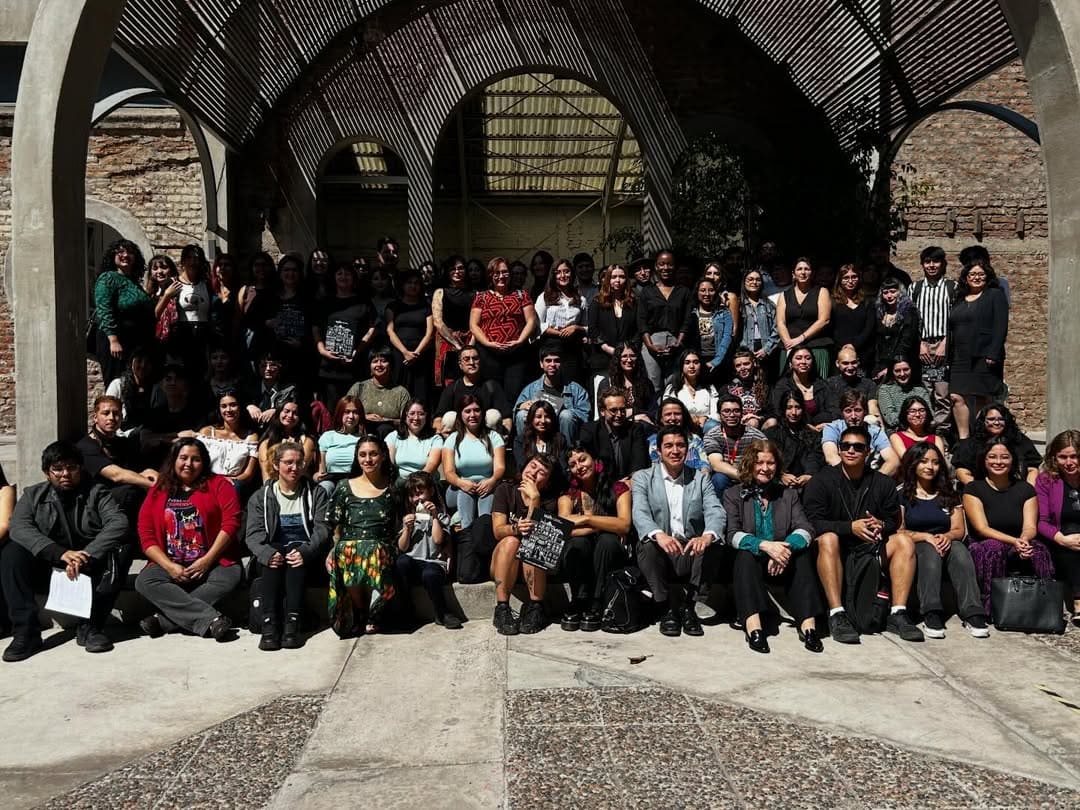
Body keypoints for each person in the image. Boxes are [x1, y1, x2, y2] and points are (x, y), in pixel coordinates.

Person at [2, 443, 129, 661]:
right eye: (58, 469)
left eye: (71, 468)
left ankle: (91, 627)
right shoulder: (33, 495)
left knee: (123, 549)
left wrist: (86, 554)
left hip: (89, 565)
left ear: (80, 468)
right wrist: (59, 553)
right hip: (50, 565)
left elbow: (119, 522)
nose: (65, 474)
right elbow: (19, 527)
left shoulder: (97, 492)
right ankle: (26, 633)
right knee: (12, 552)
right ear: (47, 472)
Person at [803, 424, 923, 643]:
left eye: (858, 447)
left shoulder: (883, 483)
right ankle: (836, 614)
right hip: (835, 550)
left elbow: (892, 520)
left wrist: (881, 525)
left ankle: (898, 612)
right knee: (828, 538)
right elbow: (812, 523)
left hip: (871, 548)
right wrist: (850, 527)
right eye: (845, 446)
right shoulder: (821, 480)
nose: (851, 450)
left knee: (904, 541)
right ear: (838, 449)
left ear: (868, 452)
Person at [135, 438, 242, 641]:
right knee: (144, 581)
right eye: (183, 458)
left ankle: (164, 621)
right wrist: (168, 566)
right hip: (172, 560)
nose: (188, 464)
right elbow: (146, 534)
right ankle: (211, 619)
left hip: (214, 560)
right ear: (174, 459)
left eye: (196, 459)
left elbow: (231, 523)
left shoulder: (219, 485)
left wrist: (207, 560)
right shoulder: (159, 489)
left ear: (204, 462)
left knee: (229, 578)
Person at [723, 439, 823, 653]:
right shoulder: (733, 495)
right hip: (753, 560)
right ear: (750, 464)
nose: (765, 468)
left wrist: (784, 549)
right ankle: (753, 626)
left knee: (803, 557)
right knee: (744, 556)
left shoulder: (788, 494)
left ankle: (808, 626)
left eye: (770, 463)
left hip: (781, 559)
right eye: (759, 462)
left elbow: (806, 529)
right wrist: (766, 546)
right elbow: (732, 534)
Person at [634, 426, 725, 637]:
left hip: (689, 550)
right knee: (647, 545)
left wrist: (707, 535)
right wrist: (659, 534)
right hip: (662, 549)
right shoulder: (643, 478)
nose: (675, 451)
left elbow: (715, 510)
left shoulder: (700, 478)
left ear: (688, 449)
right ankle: (666, 608)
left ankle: (689, 607)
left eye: (680, 445)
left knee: (713, 542)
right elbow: (640, 513)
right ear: (658, 451)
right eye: (669, 446)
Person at [893, 442, 989, 638]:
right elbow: (899, 530)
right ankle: (931, 611)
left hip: (946, 540)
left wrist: (946, 536)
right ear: (913, 464)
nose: (930, 467)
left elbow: (959, 529)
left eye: (936, 462)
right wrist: (925, 537)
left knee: (961, 551)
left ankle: (973, 612)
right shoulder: (902, 493)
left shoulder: (949, 493)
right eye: (924, 462)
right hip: (915, 543)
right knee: (929, 553)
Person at [245, 441, 331, 650]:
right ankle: (270, 626)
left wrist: (306, 551)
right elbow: (253, 535)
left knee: (293, 556)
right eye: (288, 463)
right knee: (275, 557)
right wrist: (266, 553)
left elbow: (322, 529)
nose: (295, 468)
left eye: (299, 462)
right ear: (276, 465)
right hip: (272, 556)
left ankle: (292, 624)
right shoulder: (261, 497)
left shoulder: (316, 493)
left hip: (306, 557)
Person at [964, 438, 1053, 615]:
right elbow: (982, 528)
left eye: (1004, 457)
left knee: (1039, 550)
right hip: (985, 542)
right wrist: (1015, 542)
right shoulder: (974, 489)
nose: (998, 462)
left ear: (1013, 460)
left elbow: (1029, 526)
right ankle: (992, 605)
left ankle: (1043, 607)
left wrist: (1024, 541)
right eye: (992, 457)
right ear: (984, 460)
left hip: (1018, 540)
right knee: (993, 548)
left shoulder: (1025, 489)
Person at [325, 435, 400, 636]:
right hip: (350, 544)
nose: (368, 459)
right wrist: (333, 550)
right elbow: (336, 526)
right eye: (363, 455)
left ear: (383, 456)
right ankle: (360, 611)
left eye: (373, 454)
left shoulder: (394, 486)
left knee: (371, 549)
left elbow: (399, 523)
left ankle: (374, 611)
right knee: (348, 551)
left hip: (382, 545)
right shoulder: (344, 487)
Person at [558, 444, 632, 632]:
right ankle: (579, 600)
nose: (579, 466)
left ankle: (598, 601)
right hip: (582, 552)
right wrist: (600, 525)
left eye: (583, 459)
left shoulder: (619, 488)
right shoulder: (568, 495)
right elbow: (563, 529)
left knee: (606, 541)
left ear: (595, 460)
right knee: (577, 543)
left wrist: (587, 518)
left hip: (610, 553)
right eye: (573, 464)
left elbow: (624, 525)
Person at [490, 454, 561, 635]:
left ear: (547, 482)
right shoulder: (505, 489)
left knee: (534, 541)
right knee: (511, 541)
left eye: (541, 472)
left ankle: (536, 607)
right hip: (506, 561)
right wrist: (516, 528)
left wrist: (535, 500)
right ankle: (502, 609)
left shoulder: (551, 500)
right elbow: (498, 531)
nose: (534, 473)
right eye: (532, 466)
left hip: (536, 568)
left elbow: (545, 537)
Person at [948, 258, 1008, 439]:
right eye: (972, 274)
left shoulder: (995, 295)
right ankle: (965, 439)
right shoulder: (959, 298)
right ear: (966, 278)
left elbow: (1000, 326)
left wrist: (994, 352)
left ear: (987, 276)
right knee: (957, 397)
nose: (976, 277)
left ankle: (982, 437)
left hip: (984, 355)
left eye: (981, 274)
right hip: (960, 356)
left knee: (982, 398)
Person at [76, 395, 159, 525]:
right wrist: (156, 486)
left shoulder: (122, 443)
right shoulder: (86, 446)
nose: (111, 418)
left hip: (121, 499)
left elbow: (138, 469)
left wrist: (152, 474)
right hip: (96, 504)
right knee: (133, 492)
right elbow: (117, 475)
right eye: (105, 413)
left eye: (116, 413)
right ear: (95, 417)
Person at [394, 472, 460, 630]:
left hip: (433, 563)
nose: (418, 499)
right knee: (401, 562)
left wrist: (435, 516)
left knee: (430, 574)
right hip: (414, 562)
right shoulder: (408, 518)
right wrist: (407, 529)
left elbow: (438, 540)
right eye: (413, 495)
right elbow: (402, 547)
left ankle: (442, 612)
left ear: (430, 491)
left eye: (420, 493)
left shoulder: (442, 516)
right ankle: (406, 608)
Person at [470, 257, 538, 399]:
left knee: (513, 394)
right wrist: (488, 343)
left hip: (516, 354)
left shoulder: (521, 295)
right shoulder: (481, 297)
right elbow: (474, 325)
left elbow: (531, 321)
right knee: (491, 393)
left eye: (505, 272)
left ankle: (510, 420)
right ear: (490, 275)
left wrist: (519, 341)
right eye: (497, 273)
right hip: (488, 354)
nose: (501, 276)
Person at [314, 260, 374, 409]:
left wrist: (358, 350)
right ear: (333, 277)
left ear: (354, 278)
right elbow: (315, 328)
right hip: (329, 367)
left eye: (347, 273)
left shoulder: (363, 302)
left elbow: (372, 328)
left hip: (354, 366)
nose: (343, 276)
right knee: (332, 408)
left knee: (354, 407)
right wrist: (322, 350)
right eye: (339, 273)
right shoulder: (325, 302)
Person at [93, 239, 154, 384]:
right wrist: (113, 340)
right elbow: (104, 310)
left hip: (134, 342)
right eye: (120, 251)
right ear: (113, 256)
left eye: (130, 252)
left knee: (134, 384)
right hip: (116, 340)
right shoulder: (108, 278)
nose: (125, 255)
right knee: (117, 382)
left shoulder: (134, 283)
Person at [442, 395, 506, 531]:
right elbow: (448, 473)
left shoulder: (493, 437)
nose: (473, 415)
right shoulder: (453, 439)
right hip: (458, 488)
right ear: (460, 414)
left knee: (487, 497)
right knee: (465, 493)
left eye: (476, 410)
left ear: (482, 412)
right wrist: (462, 483)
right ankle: (467, 533)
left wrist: (492, 481)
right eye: (467, 411)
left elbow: (500, 467)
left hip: (487, 486)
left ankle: (483, 531)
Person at [1036, 431, 1080, 622]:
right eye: (1063, 457)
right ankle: (1078, 600)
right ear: (1054, 457)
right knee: (1071, 536)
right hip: (1059, 539)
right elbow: (1041, 521)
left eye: (1074, 456)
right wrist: (1062, 538)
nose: (1069, 462)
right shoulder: (1046, 480)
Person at [910, 246, 955, 431]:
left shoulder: (952, 287)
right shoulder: (915, 288)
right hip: (923, 345)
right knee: (925, 390)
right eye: (927, 262)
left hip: (945, 343)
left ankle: (942, 432)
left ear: (943, 264)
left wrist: (946, 342)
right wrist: (920, 343)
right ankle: (925, 429)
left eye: (935, 261)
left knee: (942, 392)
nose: (931, 265)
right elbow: (911, 319)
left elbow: (956, 318)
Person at [637, 249, 692, 391]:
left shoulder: (684, 292)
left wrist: (678, 343)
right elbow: (641, 321)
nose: (665, 268)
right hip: (652, 341)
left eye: (669, 264)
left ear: (675, 266)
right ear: (656, 266)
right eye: (661, 264)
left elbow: (687, 320)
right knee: (652, 385)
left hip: (676, 342)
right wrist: (650, 346)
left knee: (673, 385)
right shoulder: (647, 292)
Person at [513, 346, 591, 443]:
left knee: (566, 415)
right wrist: (521, 405)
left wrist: (565, 410)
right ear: (541, 364)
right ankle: (527, 452)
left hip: (564, 431)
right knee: (521, 415)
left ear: (562, 364)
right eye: (548, 361)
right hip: (539, 432)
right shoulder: (531, 389)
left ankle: (567, 453)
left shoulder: (577, 390)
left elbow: (585, 417)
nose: (552, 364)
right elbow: (516, 413)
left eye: (556, 361)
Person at [952, 403, 1041, 486]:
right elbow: (962, 472)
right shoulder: (971, 444)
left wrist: (1027, 490)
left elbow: (1032, 469)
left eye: (1001, 419)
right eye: (991, 419)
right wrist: (981, 490)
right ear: (983, 421)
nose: (996, 423)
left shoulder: (1020, 441)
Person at [385, 268, 435, 408]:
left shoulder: (426, 306)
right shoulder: (393, 306)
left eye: (416, 283)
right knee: (399, 390)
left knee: (421, 391)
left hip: (421, 355)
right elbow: (390, 330)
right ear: (402, 285)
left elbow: (429, 333)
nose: (413, 286)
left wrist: (416, 353)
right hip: (399, 354)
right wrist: (405, 352)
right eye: (409, 283)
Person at [433, 345, 511, 435]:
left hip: (486, 435)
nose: (471, 362)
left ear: (480, 362)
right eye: (467, 359)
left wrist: (507, 434)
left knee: (493, 415)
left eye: (475, 358)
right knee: (449, 417)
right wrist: (438, 433)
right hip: (459, 436)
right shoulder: (452, 388)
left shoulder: (492, 386)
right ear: (460, 365)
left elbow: (506, 417)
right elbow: (438, 418)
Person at [534, 258, 587, 388]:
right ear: (553, 275)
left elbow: (588, 326)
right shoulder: (544, 297)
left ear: (572, 274)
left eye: (566, 271)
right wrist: (558, 332)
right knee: (553, 384)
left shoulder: (580, 299)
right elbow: (537, 325)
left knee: (572, 384)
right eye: (558, 272)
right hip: (551, 347)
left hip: (573, 348)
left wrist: (576, 327)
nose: (563, 275)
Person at [577, 389, 650, 482]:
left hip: (631, 483)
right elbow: (589, 464)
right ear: (602, 411)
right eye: (613, 410)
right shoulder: (590, 431)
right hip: (601, 485)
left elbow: (640, 462)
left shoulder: (635, 429)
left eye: (622, 410)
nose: (619, 414)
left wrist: (630, 481)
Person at [587, 264, 637, 400]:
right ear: (607, 280)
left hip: (627, 360)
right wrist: (608, 348)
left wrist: (626, 351)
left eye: (621, 277)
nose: (618, 280)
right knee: (604, 398)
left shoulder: (633, 302)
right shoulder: (597, 302)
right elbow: (593, 330)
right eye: (614, 277)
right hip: (602, 359)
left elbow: (638, 329)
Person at [776, 257, 832, 376]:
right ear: (793, 273)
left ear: (812, 273)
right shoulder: (784, 295)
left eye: (807, 269)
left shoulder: (822, 292)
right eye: (799, 269)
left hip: (816, 346)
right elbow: (780, 322)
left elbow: (824, 320)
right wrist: (788, 342)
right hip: (790, 349)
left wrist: (800, 339)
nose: (803, 272)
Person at [821, 390, 899, 476]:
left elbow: (893, 461)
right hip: (839, 477)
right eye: (848, 411)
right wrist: (850, 479)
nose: (853, 416)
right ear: (842, 413)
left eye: (858, 410)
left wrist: (875, 483)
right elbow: (831, 457)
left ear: (865, 412)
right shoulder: (832, 428)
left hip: (868, 477)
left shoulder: (875, 432)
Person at [198, 390, 260, 496]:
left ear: (240, 407)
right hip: (208, 481)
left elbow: (248, 473)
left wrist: (229, 481)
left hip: (234, 484)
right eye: (224, 406)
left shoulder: (251, 437)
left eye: (233, 405)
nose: (228, 410)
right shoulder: (207, 432)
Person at [703, 395, 767, 497]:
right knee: (719, 479)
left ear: (742, 413)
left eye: (736, 411)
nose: (732, 415)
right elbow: (717, 464)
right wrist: (743, 476)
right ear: (719, 415)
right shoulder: (712, 435)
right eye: (726, 411)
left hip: (751, 479)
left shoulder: (756, 436)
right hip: (729, 478)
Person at [345, 347, 411, 439]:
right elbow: (344, 412)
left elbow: (408, 420)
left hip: (390, 438)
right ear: (370, 366)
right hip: (359, 436)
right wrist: (364, 417)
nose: (379, 365)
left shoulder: (401, 392)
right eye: (375, 361)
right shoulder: (359, 387)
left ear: (391, 365)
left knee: (383, 428)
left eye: (383, 361)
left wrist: (385, 420)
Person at [765, 390, 824, 489]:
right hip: (777, 482)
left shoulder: (812, 435)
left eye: (798, 407)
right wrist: (781, 475)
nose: (794, 413)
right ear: (783, 410)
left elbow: (815, 457)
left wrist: (809, 475)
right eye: (789, 408)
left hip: (805, 483)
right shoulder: (772, 434)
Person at [679, 278, 733, 385]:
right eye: (703, 290)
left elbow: (727, 337)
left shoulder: (724, 312)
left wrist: (716, 361)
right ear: (697, 292)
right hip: (696, 360)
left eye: (711, 290)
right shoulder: (691, 313)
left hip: (718, 359)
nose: (707, 294)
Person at [431, 256, 474, 388]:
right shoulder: (440, 292)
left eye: (460, 268)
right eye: (453, 269)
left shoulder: (475, 294)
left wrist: (469, 346)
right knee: (449, 384)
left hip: (470, 341)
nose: (457, 271)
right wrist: (457, 344)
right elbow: (438, 322)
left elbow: (478, 321)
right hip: (447, 344)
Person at [595, 342, 656, 426]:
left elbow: (653, 410)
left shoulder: (646, 383)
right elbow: (604, 413)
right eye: (624, 356)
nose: (629, 360)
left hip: (642, 427)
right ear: (618, 359)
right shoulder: (606, 383)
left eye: (632, 356)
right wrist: (634, 416)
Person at [770, 347, 830, 431]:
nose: (803, 362)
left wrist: (824, 423)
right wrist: (806, 425)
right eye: (798, 358)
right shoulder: (782, 386)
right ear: (790, 363)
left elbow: (834, 409)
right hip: (792, 430)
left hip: (822, 428)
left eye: (808, 358)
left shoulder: (822, 385)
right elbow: (778, 412)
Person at [314, 396, 365, 495]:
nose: (351, 416)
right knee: (324, 488)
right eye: (347, 412)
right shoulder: (328, 437)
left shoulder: (365, 440)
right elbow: (322, 471)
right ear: (340, 413)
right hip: (332, 481)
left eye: (355, 412)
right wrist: (317, 476)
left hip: (356, 481)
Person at [871, 277, 919, 381]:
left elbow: (906, 342)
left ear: (900, 292)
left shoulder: (909, 312)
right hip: (881, 363)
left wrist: (891, 367)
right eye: (885, 292)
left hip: (902, 364)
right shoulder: (879, 313)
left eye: (893, 292)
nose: (889, 296)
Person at [257, 397, 317, 482]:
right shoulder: (266, 443)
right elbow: (266, 473)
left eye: (295, 413)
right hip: (272, 488)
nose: (290, 416)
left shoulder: (307, 441)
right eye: (286, 411)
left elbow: (300, 470)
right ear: (279, 413)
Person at [663, 349, 720, 434]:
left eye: (696, 362)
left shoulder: (709, 388)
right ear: (682, 366)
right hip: (681, 427)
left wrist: (706, 417)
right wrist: (688, 419)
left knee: (713, 425)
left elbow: (716, 413)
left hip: (705, 427)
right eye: (687, 363)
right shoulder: (673, 389)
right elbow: (667, 412)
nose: (692, 366)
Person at [830, 264, 875, 371]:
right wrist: (845, 346)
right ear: (840, 280)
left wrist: (854, 345)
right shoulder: (832, 301)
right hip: (839, 352)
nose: (850, 281)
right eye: (846, 278)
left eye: (854, 277)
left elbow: (869, 327)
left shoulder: (867, 301)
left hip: (863, 353)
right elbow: (831, 327)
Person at [387, 399, 443, 482]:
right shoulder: (394, 436)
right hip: (400, 482)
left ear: (426, 416)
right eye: (412, 413)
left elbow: (431, 466)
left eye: (421, 414)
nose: (416, 418)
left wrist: (414, 484)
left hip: (425, 482)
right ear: (405, 416)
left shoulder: (435, 439)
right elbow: (389, 463)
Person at [647, 398, 710, 471]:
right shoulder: (652, 442)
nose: (673, 418)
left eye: (677, 414)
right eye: (668, 414)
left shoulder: (694, 439)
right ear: (661, 418)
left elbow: (705, 464)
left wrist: (703, 477)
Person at [104, 347, 157, 433]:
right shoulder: (118, 385)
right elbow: (107, 412)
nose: (143, 365)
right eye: (139, 361)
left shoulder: (156, 389)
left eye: (147, 362)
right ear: (131, 363)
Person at [823, 345, 880, 421]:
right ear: (837, 363)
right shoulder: (829, 384)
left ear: (858, 362)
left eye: (853, 363)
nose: (850, 367)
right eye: (845, 363)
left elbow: (873, 407)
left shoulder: (869, 384)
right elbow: (832, 409)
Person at [876, 358, 932, 432]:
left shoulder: (921, 390)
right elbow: (891, 419)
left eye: (906, 369)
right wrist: (915, 416)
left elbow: (930, 414)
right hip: (897, 432)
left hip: (922, 430)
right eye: (897, 371)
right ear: (892, 372)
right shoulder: (885, 390)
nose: (902, 374)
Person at [721, 349, 772, 430]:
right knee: (752, 423)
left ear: (754, 363)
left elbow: (771, 411)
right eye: (738, 365)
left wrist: (758, 417)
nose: (742, 368)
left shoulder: (764, 386)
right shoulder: (728, 388)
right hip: (735, 422)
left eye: (746, 364)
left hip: (757, 421)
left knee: (772, 422)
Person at [738, 268, 779, 368]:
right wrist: (745, 351)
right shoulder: (738, 304)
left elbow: (778, 327)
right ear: (744, 282)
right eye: (750, 279)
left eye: (757, 279)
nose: (754, 282)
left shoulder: (769, 304)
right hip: (744, 351)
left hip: (767, 348)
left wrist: (766, 349)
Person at [514, 401, 568, 474]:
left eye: (547, 417)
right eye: (538, 417)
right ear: (531, 418)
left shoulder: (559, 439)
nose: (543, 421)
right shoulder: (520, 440)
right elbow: (521, 466)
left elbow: (563, 468)